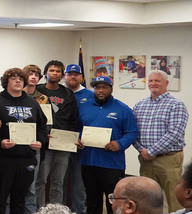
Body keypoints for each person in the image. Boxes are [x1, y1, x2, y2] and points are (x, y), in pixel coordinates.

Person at [0, 68, 47, 214]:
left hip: (26, 158)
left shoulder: (33, 103)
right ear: (6, 82)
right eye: (14, 78)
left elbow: (42, 127)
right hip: (3, 159)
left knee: (20, 199)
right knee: (0, 199)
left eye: (20, 78)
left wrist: (40, 142)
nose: (18, 81)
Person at [77, 76, 138, 214]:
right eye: (97, 87)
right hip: (88, 161)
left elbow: (132, 133)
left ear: (111, 89)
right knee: (92, 200)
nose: (100, 90)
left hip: (112, 163)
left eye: (104, 87)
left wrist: (120, 143)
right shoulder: (84, 107)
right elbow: (78, 128)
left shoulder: (123, 109)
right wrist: (79, 139)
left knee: (114, 201)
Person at [134, 70, 189, 213]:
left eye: (157, 81)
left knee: (175, 197)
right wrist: (142, 150)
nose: (153, 84)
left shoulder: (176, 105)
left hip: (168, 159)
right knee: (146, 197)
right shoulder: (140, 105)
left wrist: (151, 151)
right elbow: (134, 131)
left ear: (166, 83)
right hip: (145, 159)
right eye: (151, 81)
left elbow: (175, 133)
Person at [34, 61, 80, 210]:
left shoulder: (68, 94)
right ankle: (40, 209)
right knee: (40, 180)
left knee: (58, 181)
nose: (54, 73)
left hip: (63, 142)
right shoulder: (37, 91)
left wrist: (72, 137)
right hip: (44, 143)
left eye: (58, 71)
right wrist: (41, 135)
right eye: (51, 70)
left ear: (62, 75)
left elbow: (73, 119)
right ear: (46, 73)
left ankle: (56, 210)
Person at [63, 63, 93, 214]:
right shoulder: (59, 92)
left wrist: (82, 138)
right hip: (60, 144)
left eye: (76, 74)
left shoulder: (90, 95)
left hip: (81, 146)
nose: (72, 77)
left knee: (78, 185)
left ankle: (79, 211)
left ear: (81, 77)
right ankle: (59, 210)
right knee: (58, 182)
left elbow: (93, 119)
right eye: (69, 74)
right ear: (65, 76)